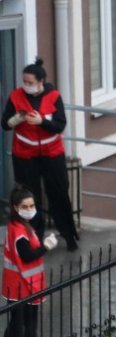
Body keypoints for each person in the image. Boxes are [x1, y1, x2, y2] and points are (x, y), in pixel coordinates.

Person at [1, 58, 80, 251]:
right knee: (29, 198)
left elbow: (59, 125)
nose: (26, 86)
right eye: (24, 82)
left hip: (52, 154)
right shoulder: (15, 96)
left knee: (59, 195)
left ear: (41, 81)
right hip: (25, 155)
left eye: (30, 82)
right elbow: (4, 124)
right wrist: (16, 119)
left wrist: (42, 121)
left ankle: (68, 235)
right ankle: (34, 238)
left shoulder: (53, 96)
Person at [0, 187, 57, 337]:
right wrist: (46, 247)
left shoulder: (20, 225)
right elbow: (27, 256)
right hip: (24, 285)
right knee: (28, 325)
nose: (30, 209)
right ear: (16, 207)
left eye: (32, 205)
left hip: (18, 284)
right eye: (25, 206)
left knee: (16, 325)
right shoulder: (19, 231)